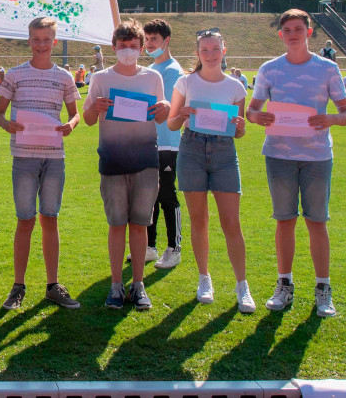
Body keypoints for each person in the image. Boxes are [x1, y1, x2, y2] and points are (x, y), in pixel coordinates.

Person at [247, 9, 346, 317]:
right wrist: (258, 117)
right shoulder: (269, 69)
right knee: (284, 220)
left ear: (309, 32)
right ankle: (284, 285)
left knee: (317, 222)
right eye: (287, 30)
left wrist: (330, 118)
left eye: (298, 29)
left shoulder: (328, 68)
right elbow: (252, 110)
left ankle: (323, 289)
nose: (292, 34)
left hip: (316, 157)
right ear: (280, 34)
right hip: (279, 156)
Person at [0, 17, 81, 310]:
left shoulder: (64, 77)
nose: (41, 44)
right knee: (25, 220)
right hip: (24, 158)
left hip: (54, 157)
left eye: (46, 39)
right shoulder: (15, 75)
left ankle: (52, 286)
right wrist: (7, 125)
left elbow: (75, 114)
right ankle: (18, 286)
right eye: (36, 39)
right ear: (29, 41)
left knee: (50, 218)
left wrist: (70, 125)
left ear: (54, 42)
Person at [83, 19, 170, 311]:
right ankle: (116, 285)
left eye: (133, 46)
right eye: (123, 46)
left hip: (146, 161)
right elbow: (88, 119)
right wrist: (94, 107)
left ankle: (138, 284)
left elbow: (160, 115)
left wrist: (166, 107)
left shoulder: (152, 77)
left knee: (140, 224)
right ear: (114, 47)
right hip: (112, 160)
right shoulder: (100, 78)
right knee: (117, 224)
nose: (128, 51)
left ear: (142, 48)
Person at [166, 31, 255, 312]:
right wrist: (181, 115)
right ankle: (204, 278)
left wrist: (241, 127)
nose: (211, 54)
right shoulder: (185, 82)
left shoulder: (236, 87)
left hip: (224, 153)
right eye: (205, 50)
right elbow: (170, 124)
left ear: (224, 50)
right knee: (199, 219)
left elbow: (238, 132)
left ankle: (242, 285)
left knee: (231, 222)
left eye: (215, 49)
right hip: (191, 149)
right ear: (198, 53)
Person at [143, 19, 184, 270]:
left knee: (167, 195)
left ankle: (174, 248)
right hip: (149, 141)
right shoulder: (151, 68)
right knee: (150, 196)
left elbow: (163, 107)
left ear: (166, 41)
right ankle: (149, 246)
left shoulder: (172, 71)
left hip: (167, 143)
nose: (149, 44)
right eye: (147, 39)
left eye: (154, 39)